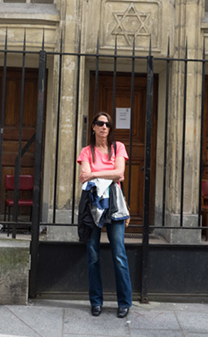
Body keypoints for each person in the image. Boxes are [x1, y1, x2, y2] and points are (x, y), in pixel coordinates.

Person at [77, 111, 132, 319]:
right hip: (92, 204)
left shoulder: (118, 147)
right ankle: (96, 301)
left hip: (114, 203)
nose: (104, 127)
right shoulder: (86, 152)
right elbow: (84, 177)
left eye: (107, 124)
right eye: (100, 124)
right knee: (92, 254)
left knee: (119, 253)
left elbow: (119, 173)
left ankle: (124, 302)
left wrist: (95, 173)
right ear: (93, 127)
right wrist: (99, 174)